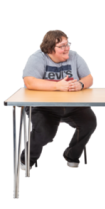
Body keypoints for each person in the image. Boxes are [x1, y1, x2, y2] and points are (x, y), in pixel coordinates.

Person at [20, 30, 97, 169]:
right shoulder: (37, 58)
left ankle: (71, 155)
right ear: (50, 49)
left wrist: (80, 84)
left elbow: (89, 78)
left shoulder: (74, 56)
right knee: (45, 133)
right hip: (44, 107)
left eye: (67, 44)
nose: (67, 48)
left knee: (89, 123)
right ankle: (28, 158)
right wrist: (57, 85)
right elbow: (29, 82)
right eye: (61, 46)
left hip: (73, 106)